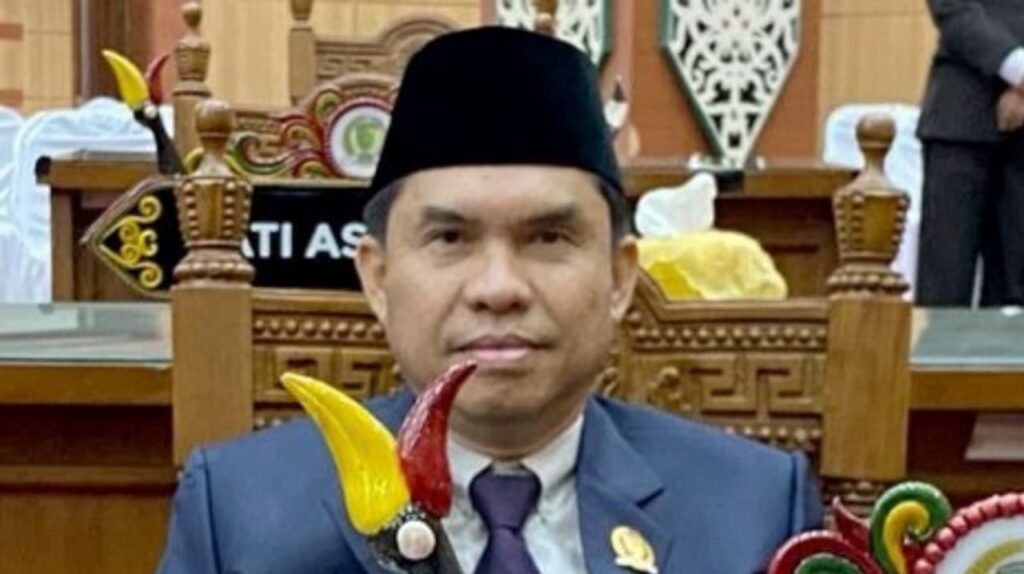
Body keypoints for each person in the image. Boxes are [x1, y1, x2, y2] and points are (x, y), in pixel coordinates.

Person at [157, 27, 822, 574]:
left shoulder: (755, 508)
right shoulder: (238, 510)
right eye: (450, 238)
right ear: (377, 278)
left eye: (549, 238)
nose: (499, 288)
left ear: (620, 279)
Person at [916, 0, 1024, 305]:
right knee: (945, 284)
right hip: (960, 122)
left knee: (1015, 293)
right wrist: (1017, 70)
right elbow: (953, 9)